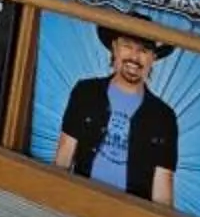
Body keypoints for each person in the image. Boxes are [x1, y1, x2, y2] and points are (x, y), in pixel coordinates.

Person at [54, 26, 181, 206]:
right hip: (78, 201)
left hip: (132, 215)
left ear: (153, 57)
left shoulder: (164, 117)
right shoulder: (85, 92)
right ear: (114, 47)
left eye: (144, 50)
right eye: (127, 46)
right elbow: (63, 158)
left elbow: (162, 193)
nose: (134, 57)